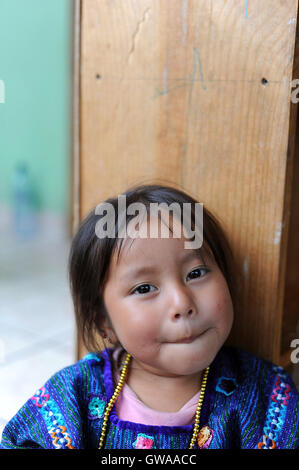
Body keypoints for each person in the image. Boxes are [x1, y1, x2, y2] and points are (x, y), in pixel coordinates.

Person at [1, 183, 298, 449]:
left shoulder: (265, 396)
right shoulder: (75, 395)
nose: (182, 303)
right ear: (104, 319)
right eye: (144, 288)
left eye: (196, 273)